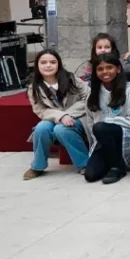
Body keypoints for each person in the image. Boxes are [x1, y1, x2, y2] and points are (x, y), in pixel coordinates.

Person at [24, 50, 91, 180]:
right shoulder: (34, 87)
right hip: (52, 118)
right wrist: (60, 116)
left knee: (62, 129)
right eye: (43, 62)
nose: (48, 65)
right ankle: (37, 166)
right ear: (37, 65)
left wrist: (67, 114)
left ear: (58, 64)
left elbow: (88, 96)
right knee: (41, 128)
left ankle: (84, 164)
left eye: (52, 62)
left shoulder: (71, 79)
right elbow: (40, 110)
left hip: (78, 116)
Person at [83, 53, 130, 184]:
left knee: (101, 127)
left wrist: (109, 122)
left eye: (109, 67)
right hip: (102, 139)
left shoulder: (129, 89)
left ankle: (117, 167)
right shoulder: (93, 93)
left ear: (118, 69)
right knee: (90, 176)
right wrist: (96, 140)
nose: (105, 72)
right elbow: (90, 122)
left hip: (123, 136)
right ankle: (111, 163)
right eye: (100, 69)